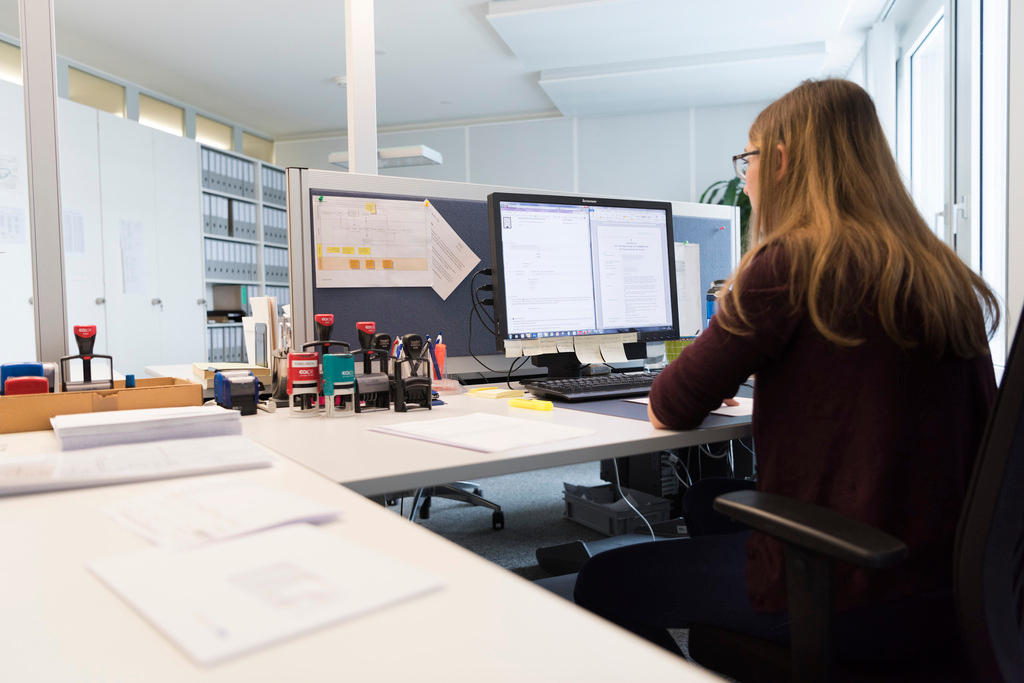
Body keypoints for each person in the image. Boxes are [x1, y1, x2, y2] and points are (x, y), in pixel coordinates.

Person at [569, 79, 1000, 663]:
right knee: (706, 499)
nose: (744, 177)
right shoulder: (937, 269)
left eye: (747, 159)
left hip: (852, 585)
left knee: (604, 581)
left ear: (780, 160)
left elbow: (670, 406)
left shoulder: (793, 261)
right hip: (948, 575)